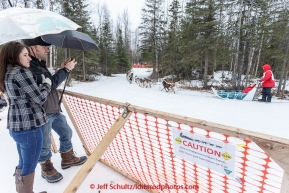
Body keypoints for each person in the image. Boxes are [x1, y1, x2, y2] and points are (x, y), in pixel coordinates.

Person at [23, 37, 87, 183]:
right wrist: (65, 70)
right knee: (45, 142)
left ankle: (68, 158)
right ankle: (46, 168)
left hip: (53, 108)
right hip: (42, 112)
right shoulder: (29, 66)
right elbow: (49, 84)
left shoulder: (39, 64)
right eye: (44, 47)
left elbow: (50, 82)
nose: (47, 49)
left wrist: (62, 70)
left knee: (66, 132)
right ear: (33, 48)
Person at [0, 41, 51, 193]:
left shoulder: (8, 72)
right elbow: (39, 99)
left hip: (17, 127)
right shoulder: (21, 72)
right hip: (29, 127)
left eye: (29, 54)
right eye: (25, 55)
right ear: (14, 56)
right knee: (29, 166)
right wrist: (47, 84)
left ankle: (22, 190)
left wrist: (39, 85)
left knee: (23, 162)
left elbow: (25, 95)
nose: (29, 58)